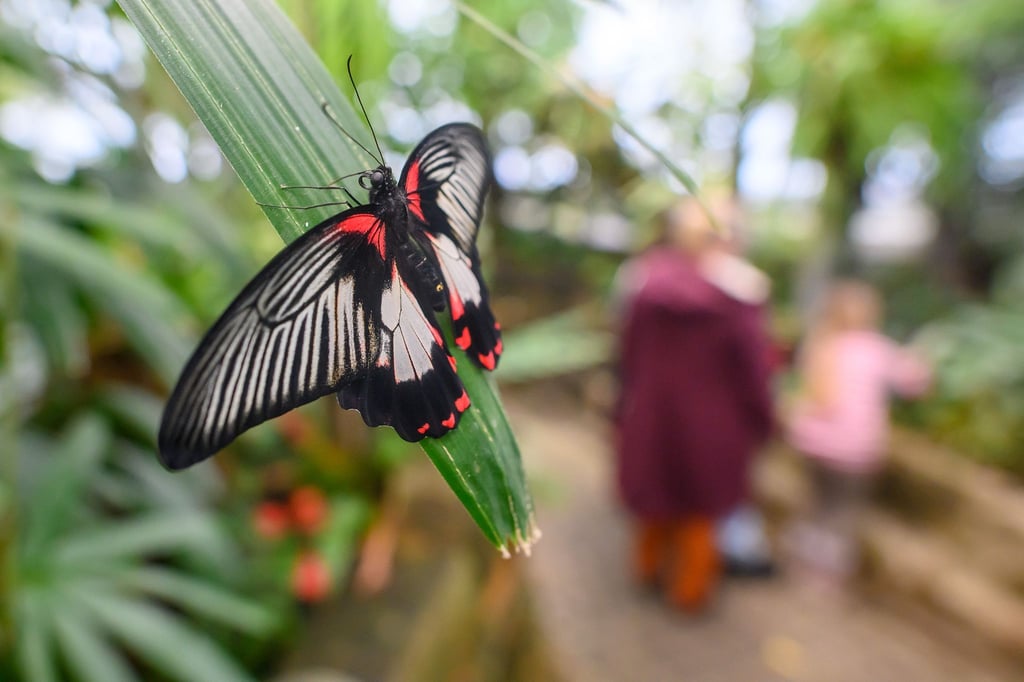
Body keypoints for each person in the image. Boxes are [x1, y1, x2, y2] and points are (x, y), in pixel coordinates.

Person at [613, 197, 775, 613]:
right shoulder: (742, 293)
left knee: (657, 495)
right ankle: (689, 592)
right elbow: (754, 370)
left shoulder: (641, 281)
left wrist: (625, 406)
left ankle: (647, 570)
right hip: (716, 425)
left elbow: (627, 354)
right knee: (700, 510)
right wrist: (764, 419)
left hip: (653, 415)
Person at [785, 280, 930, 586]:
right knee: (843, 512)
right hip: (854, 450)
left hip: (814, 443)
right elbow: (914, 382)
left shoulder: (821, 343)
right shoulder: (876, 348)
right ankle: (826, 573)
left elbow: (811, 395)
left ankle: (802, 559)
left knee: (816, 503)